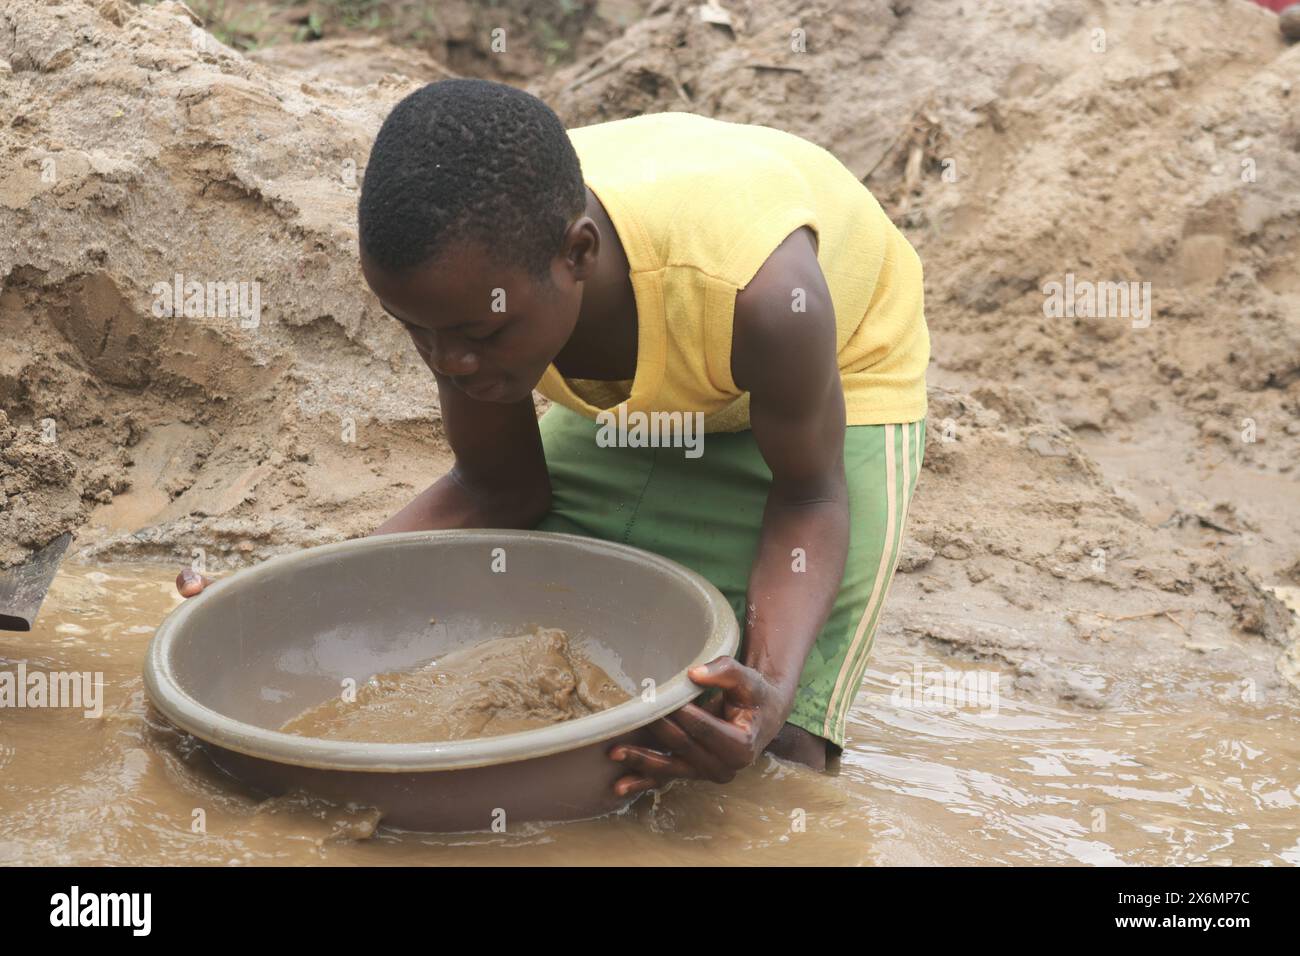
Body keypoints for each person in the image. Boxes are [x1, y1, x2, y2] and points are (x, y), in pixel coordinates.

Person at [177, 78, 929, 798]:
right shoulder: (480, 291)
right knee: (535, 630)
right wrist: (281, 607)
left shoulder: (768, 299)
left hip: (832, 379)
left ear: (578, 255)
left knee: (771, 749)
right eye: (417, 332)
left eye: (477, 334)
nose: (447, 365)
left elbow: (807, 496)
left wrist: (764, 700)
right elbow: (498, 488)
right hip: (652, 361)